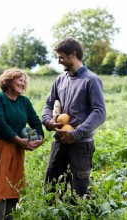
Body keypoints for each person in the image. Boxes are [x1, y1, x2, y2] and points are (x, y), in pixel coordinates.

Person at [42, 37, 106, 202]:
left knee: (79, 193)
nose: (59, 61)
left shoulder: (91, 80)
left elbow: (99, 112)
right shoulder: (60, 80)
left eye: (61, 57)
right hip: (59, 142)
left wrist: (76, 133)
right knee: (51, 188)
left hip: (81, 145)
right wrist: (48, 121)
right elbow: (48, 104)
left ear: (73, 54)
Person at [0, 68, 44, 220]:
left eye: (24, 81)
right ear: (9, 80)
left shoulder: (24, 101)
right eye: (20, 79)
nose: (23, 83)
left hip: (16, 148)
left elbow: (34, 120)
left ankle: (10, 218)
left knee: (13, 183)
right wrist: (17, 139)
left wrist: (40, 137)